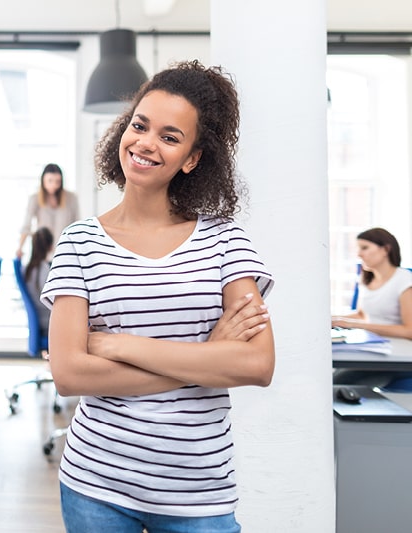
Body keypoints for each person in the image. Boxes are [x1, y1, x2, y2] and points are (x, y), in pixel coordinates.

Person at [40, 61, 275, 533]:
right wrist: (206, 358)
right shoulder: (79, 242)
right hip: (96, 481)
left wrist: (116, 344)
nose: (146, 142)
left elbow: (256, 366)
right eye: (139, 125)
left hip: (198, 490)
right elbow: (68, 373)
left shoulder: (227, 242)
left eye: (170, 137)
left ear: (192, 158)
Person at [332, 227, 412, 387]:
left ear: (385, 249)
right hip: (376, 349)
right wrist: (335, 319)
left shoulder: (404, 281)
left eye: (365, 248)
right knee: (335, 375)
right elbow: (362, 315)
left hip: (399, 353)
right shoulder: (367, 280)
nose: (359, 254)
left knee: (340, 380)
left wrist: (352, 324)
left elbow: (409, 330)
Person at [16, 163, 79, 258]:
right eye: (50, 181)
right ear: (43, 180)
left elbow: (77, 226)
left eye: (57, 181)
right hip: (42, 254)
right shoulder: (35, 199)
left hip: (64, 252)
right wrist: (20, 247)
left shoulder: (71, 198)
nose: (53, 185)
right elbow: (26, 225)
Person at [24, 227, 54, 335]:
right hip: (48, 322)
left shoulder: (26, 269)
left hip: (38, 321)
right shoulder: (46, 271)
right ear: (51, 247)